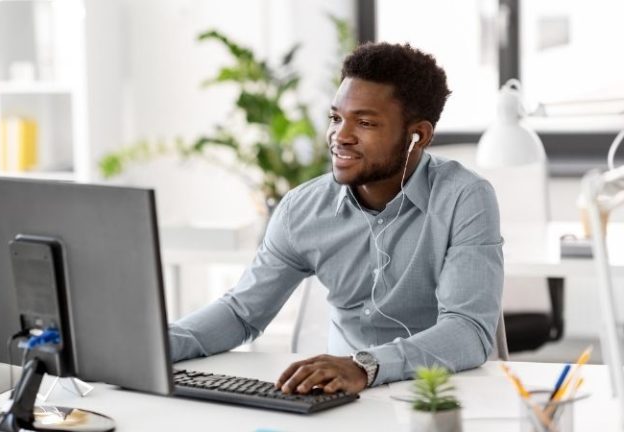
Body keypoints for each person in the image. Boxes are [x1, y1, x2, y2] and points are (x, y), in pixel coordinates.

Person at [169, 42, 503, 394]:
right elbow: (241, 313)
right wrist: (156, 346)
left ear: (417, 136)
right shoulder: (302, 208)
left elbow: (468, 330)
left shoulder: (465, 197)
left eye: (364, 122)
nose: (340, 137)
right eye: (335, 118)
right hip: (341, 398)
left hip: (440, 395)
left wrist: (364, 366)